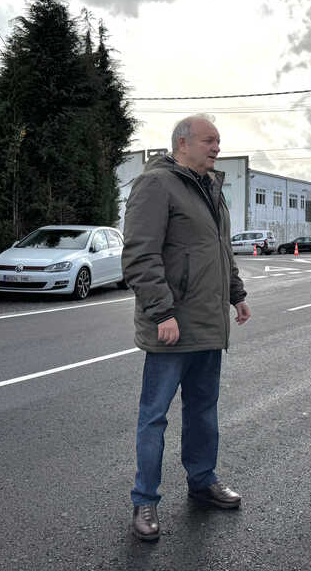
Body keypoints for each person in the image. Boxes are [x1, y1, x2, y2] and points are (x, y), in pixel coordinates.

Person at [121, 114, 251, 542]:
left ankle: (202, 482)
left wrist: (236, 294)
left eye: (218, 141)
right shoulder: (156, 184)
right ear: (183, 143)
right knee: (154, 417)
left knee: (203, 412)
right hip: (171, 326)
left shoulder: (211, 187)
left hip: (208, 324)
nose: (217, 148)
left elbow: (220, 249)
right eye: (209, 140)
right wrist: (162, 313)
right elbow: (140, 256)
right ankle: (145, 500)